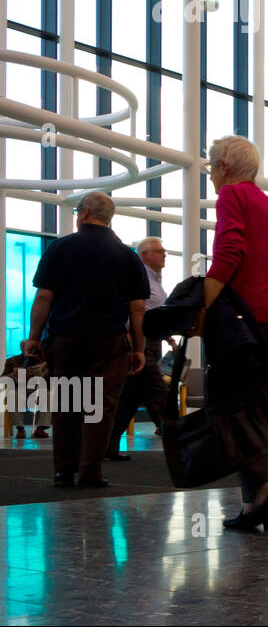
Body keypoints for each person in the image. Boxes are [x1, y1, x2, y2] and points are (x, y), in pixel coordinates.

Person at [201, 135, 268, 531]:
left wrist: (204, 304)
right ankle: (255, 506)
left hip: (248, 322)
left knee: (229, 405)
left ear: (223, 167)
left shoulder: (233, 196)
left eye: (211, 166)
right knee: (261, 409)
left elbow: (229, 252)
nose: (210, 174)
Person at [20, 192, 148, 489]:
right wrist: (139, 348)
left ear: (85, 213)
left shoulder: (60, 248)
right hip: (110, 342)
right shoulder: (126, 255)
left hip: (66, 339)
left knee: (67, 402)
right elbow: (137, 308)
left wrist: (34, 338)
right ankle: (91, 472)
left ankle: (63, 471)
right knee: (101, 406)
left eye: (78, 211)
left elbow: (44, 296)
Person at [105, 237, 172, 460]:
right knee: (159, 393)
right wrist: (135, 344)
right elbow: (134, 311)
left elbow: (153, 312)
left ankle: (107, 445)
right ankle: (182, 445)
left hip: (150, 342)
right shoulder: (137, 277)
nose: (165, 255)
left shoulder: (155, 280)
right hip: (139, 343)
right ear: (144, 255)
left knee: (129, 399)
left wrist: (167, 334)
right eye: (159, 251)